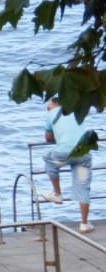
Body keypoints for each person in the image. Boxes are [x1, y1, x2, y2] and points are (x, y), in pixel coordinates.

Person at [42, 96, 95, 233]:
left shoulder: (52, 114)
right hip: (82, 153)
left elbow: (48, 138)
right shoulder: (75, 111)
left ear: (55, 104)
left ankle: (57, 193)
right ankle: (84, 224)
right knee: (83, 187)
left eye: (48, 107)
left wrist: (58, 137)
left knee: (48, 159)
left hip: (63, 154)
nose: (47, 109)